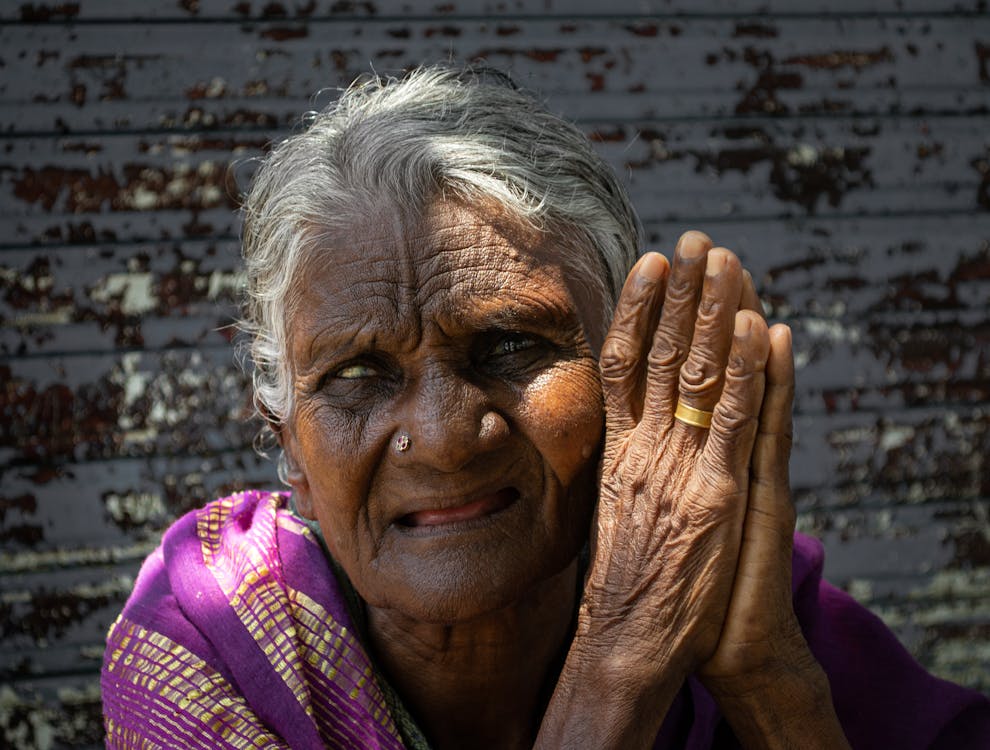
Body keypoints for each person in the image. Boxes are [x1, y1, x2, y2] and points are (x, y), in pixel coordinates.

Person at [101, 65, 990, 749]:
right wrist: (620, 669)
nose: (448, 437)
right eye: (359, 375)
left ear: (629, 377)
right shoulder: (205, 643)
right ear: (284, 438)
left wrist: (764, 679)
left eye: (513, 346)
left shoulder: (755, 605)